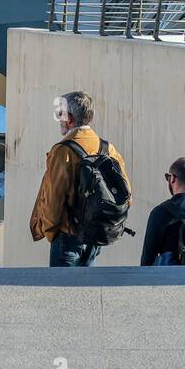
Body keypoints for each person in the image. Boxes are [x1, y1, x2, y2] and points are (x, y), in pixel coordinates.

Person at [30, 91, 131, 266]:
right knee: (85, 290)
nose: (58, 119)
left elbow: (53, 200)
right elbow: (127, 195)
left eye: (59, 114)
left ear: (69, 119)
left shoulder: (62, 151)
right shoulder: (108, 149)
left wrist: (49, 232)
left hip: (68, 236)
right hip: (94, 237)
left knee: (62, 291)